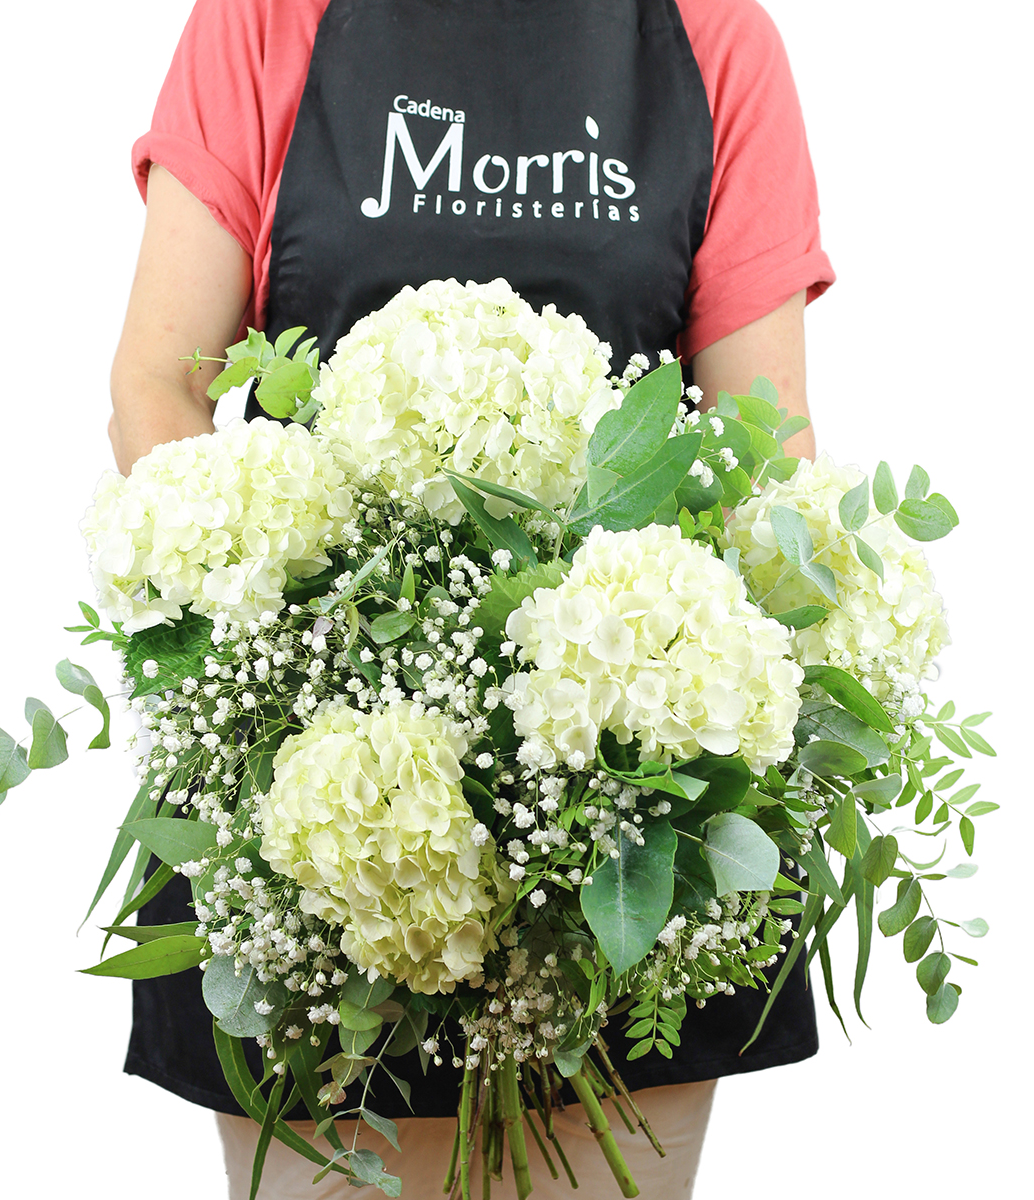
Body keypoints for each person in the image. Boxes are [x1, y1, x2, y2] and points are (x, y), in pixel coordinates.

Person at [109, 2, 835, 1195]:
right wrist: (289, 658)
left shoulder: (714, 37)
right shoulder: (264, 18)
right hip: (319, 806)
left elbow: (767, 454)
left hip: (616, 813)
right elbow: (157, 386)